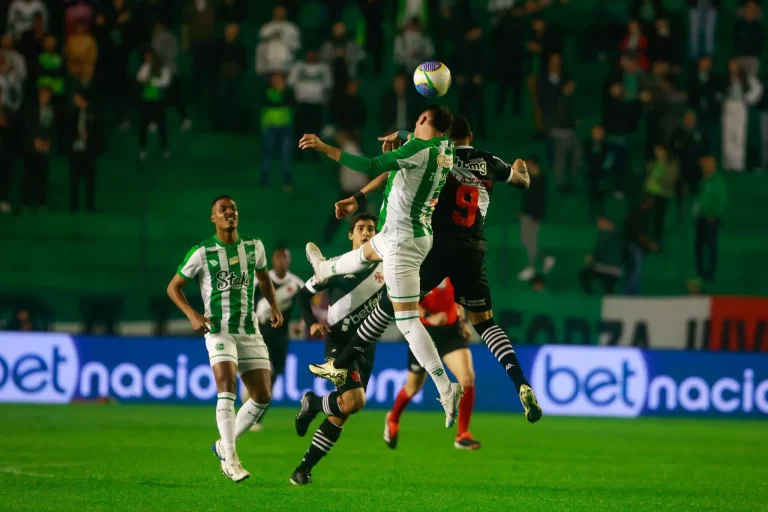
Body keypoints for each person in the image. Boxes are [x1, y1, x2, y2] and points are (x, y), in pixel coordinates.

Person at [316, 115, 543, 424]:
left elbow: (387, 172)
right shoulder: (489, 161)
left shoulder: (436, 155)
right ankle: (521, 383)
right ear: (472, 135)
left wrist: (359, 196)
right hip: (473, 251)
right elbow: (522, 182)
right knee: (486, 324)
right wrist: (520, 167)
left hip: (434, 249)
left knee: (391, 306)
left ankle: (341, 362)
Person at [297, 105, 464, 428]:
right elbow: (415, 138)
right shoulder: (445, 148)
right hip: (409, 234)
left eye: (416, 120)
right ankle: (324, 269)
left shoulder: (416, 150)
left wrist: (325, 147)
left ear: (424, 120)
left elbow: (371, 164)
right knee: (364, 254)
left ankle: (446, 387)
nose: (412, 127)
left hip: (401, 242)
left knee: (408, 322)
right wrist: (401, 135)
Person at [166, 195, 284, 483]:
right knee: (227, 386)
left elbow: (264, 278)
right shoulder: (202, 252)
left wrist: (274, 305)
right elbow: (173, 287)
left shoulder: (254, 246)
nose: (230, 213)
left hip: (249, 329)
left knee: (262, 395)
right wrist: (193, 314)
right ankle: (231, 458)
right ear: (213, 218)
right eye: (223, 210)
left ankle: (222, 444)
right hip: (217, 329)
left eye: (233, 209)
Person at [289, 213, 383, 485]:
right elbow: (303, 295)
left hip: (366, 347)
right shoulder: (336, 267)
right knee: (355, 401)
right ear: (350, 235)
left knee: (342, 412)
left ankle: (302, 470)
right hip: (338, 345)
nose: (366, 233)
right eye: (361, 229)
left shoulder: (384, 268)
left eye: (371, 229)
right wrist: (311, 324)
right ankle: (315, 403)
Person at [385, 278, 480, 451]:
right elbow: (404, 299)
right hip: (423, 332)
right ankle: (392, 419)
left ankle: (462, 434)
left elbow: (459, 294)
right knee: (412, 388)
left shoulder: (454, 263)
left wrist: (463, 320)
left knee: (467, 377)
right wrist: (430, 316)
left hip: (451, 332)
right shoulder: (421, 264)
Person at [246, 246, 304, 430]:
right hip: (260, 333)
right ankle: (252, 406)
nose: (281, 261)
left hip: (281, 337)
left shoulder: (296, 284)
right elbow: (246, 301)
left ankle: (256, 415)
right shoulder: (261, 280)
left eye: (285, 257)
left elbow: (308, 307)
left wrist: (301, 324)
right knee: (264, 372)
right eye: (278, 257)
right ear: (273, 260)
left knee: (273, 377)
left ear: (289, 261)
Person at [517, 156, 555, 281]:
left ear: (534, 165)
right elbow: (528, 199)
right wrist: (522, 212)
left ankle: (531, 266)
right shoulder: (530, 180)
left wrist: (536, 216)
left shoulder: (541, 180)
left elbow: (540, 201)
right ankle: (545, 259)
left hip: (533, 216)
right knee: (526, 241)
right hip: (527, 215)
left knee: (530, 242)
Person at [693, 155, 727, 283]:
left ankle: (710, 273)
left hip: (711, 219)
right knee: (699, 245)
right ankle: (700, 271)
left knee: (711, 246)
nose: (705, 167)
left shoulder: (718, 181)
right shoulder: (703, 180)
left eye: (707, 164)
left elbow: (722, 200)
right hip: (701, 217)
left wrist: (713, 214)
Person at [68, 90, 103, 213]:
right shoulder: (73, 113)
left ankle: (90, 206)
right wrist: (76, 136)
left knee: (90, 182)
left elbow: (99, 132)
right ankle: (74, 206)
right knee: (74, 181)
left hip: (89, 153)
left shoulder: (94, 113)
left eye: (77, 98)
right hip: (76, 151)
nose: (75, 101)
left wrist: (89, 136)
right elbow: (67, 131)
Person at [21, 85, 53, 212]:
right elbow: (27, 126)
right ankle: (25, 203)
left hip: (44, 150)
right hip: (31, 149)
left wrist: (47, 142)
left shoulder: (51, 110)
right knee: (28, 176)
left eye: (48, 95)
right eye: (43, 95)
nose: (45, 97)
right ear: (39, 95)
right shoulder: (31, 108)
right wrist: (35, 141)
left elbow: (51, 129)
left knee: (42, 177)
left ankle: (41, 203)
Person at [137, 48, 171, 160]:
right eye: (146, 56)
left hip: (158, 101)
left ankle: (165, 149)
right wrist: (145, 79)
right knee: (142, 125)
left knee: (162, 126)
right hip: (146, 101)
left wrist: (151, 80)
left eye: (149, 56)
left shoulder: (163, 68)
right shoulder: (145, 66)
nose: (147, 58)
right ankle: (142, 149)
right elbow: (139, 77)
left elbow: (165, 82)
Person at [578, 217, 624, 295]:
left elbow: (599, 254)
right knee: (584, 274)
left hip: (610, 270)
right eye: (598, 224)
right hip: (609, 270)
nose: (599, 226)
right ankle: (590, 296)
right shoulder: (607, 235)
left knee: (584, 274)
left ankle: (589, 296)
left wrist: (591, 261)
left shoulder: (612, 236)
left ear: (609, 223)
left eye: (601, 223)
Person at [644, 143, 678, 243]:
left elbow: (671, 179)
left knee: (659, 219)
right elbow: (648, 177)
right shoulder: (652, 163)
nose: (658, 153)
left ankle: (658, 240)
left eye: (660, 150)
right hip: (650, 194)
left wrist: (656, 180)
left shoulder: (672, 164)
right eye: (657, 150)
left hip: (663, 194)